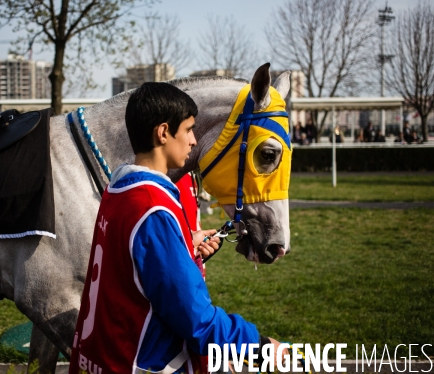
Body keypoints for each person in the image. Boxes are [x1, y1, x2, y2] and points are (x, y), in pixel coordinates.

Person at [69, 82, 287, 373]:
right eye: (188, 130)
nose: (195, 141)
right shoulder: (153, 208)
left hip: (102, 357)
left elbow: (133, 268)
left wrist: (184, 246)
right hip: (143, 362)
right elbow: (194, 318)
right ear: (162, 133)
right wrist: (257, 345)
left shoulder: (118, 189)